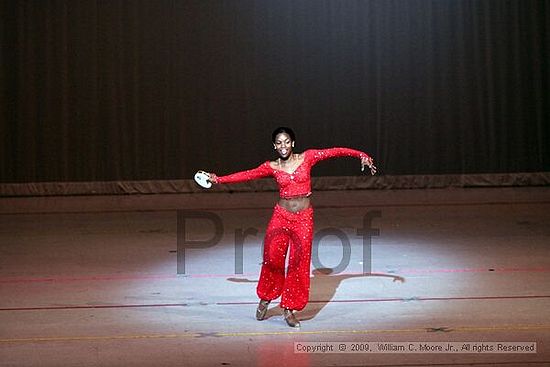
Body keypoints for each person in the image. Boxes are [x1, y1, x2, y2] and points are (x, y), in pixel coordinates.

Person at [203, 127, 376, 328]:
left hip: (303, 219)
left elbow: (334, 151)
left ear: (293, 143)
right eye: (279, 142)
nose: (283, 146)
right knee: (273, 259)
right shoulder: (272, 166)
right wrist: (218, 179)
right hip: (281, 217)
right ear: (274, 146)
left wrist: (360, 155)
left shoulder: (308, 157)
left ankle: (289, 309)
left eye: (286, 141)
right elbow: (247, 174)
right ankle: (266, 299)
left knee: (298, 263)